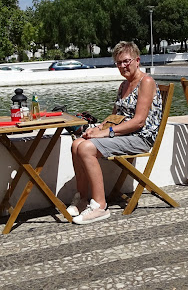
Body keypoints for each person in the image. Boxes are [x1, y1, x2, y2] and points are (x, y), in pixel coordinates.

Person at [69, 41, 163, 225]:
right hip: (124, 134)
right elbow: (115, 116)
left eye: (126, 61)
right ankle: (81, 200)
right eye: (118, 63)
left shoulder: (147, 82)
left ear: (137, 60)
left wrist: (107, 133)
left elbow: (139, 121)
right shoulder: (123, 85)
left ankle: (99, 206)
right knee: (76, 144)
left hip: (140, 138)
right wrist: (97, 128)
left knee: (87, 148)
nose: (122, 66)